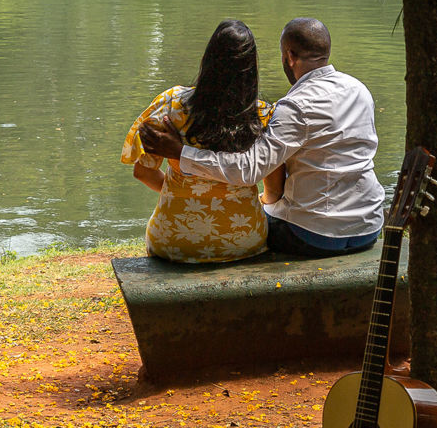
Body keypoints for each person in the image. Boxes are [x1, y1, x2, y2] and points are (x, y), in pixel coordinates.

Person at [140, 17, 385, 258]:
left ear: (289, 56)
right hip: (368, 226)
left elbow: (249, 171)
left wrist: (180, 153)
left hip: (313, 235)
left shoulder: (295, 107)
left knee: (254, 219)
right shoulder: (359, 90)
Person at [120, 20, 286, 263]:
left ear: (208, 59)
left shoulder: (171, 105)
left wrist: (184, 192)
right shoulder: (264, 116)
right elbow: (274, 191)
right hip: (243, 241)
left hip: (172, 241)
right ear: (251, 67)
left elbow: (143, 173)